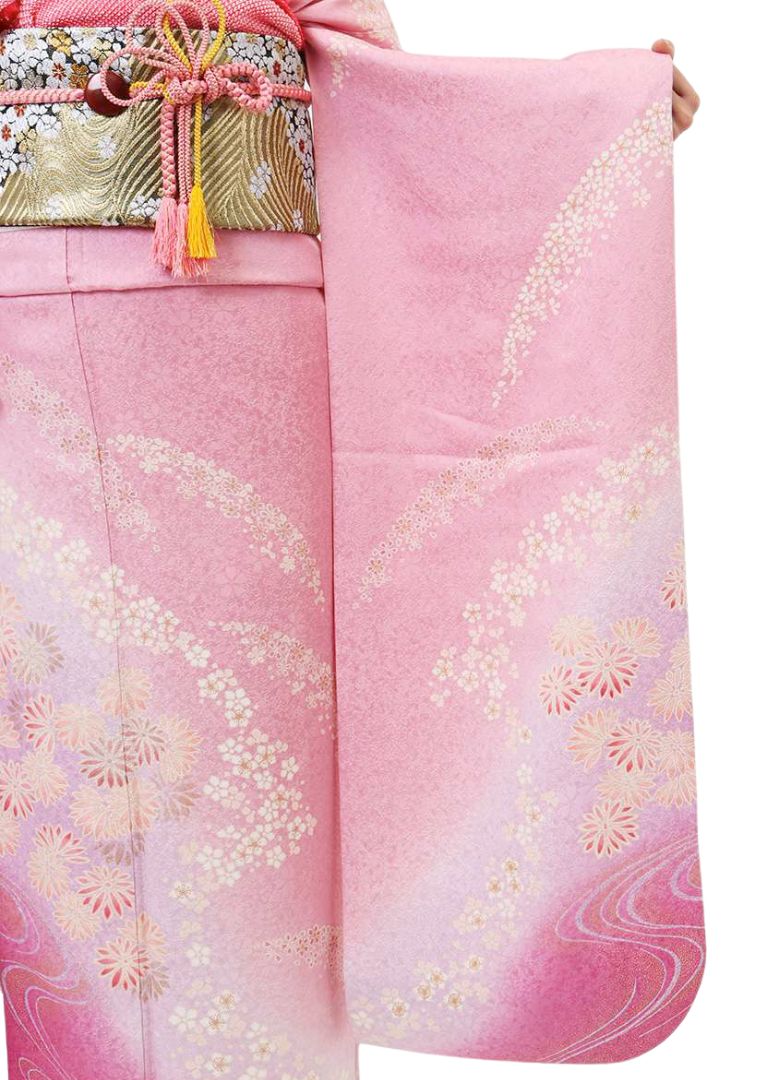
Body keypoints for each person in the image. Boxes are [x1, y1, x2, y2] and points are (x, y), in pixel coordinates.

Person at [0, 1, 705, 1075]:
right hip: (57, 289)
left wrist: (593, 115)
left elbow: (389, 106)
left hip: (273, 316)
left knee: (276, 775)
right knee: (94, 753)